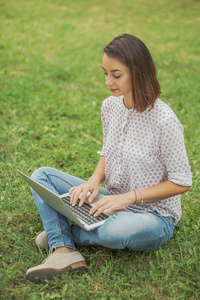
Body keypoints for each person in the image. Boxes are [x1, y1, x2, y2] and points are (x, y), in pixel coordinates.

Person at [26, 34, 192, 281]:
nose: (108, 82)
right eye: (105, 73)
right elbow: (108, 150)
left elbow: (182, 181)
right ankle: (65, 249)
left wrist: (130, 198)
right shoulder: (110, 106)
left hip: (154, 217)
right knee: (42, 176)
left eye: (116, 75)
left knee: (115, 231)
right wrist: (94, 180)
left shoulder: (164, 121)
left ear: (139, 72)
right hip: (110, 203)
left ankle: (61, 235)